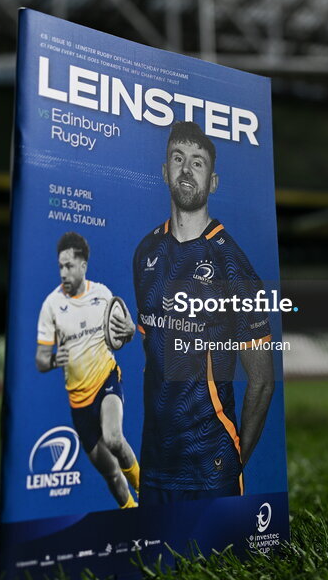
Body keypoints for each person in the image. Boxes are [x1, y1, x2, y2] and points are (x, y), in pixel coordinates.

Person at [133, 121, 274, 504]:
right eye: (178, 159)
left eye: (198, 163)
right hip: (155, 461)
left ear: (212, 182)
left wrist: (234, 463)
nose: (186, 170)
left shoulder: (233, 265)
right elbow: (155, 350)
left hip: (210, 464)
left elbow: (262, 382)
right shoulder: (146, 252)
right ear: (165, 172)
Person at [36, 231, 140, 508]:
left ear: (83, 266)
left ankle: (151, 494)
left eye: (69, 266)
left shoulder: (103, 295)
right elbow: (41, 360)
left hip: (106, 380)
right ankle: (133, 513)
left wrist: (130, 330)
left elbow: (124, 333)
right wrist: (54, 360)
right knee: (112, 475)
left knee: (114, 438)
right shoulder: (51, 306)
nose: (63, 272)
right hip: (79, 403)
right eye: (60, 266)